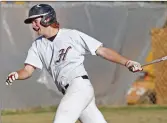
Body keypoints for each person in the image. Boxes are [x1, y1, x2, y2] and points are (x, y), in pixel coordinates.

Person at [6, 4, 143, 123]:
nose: (33, 26)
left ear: (47, 18)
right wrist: (17, 75)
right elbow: (28, 70)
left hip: (79, 86)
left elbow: (102, 51)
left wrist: (127, 62)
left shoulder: (71, 35)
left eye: (35, 21)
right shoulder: (37, 45)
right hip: (70, 91)